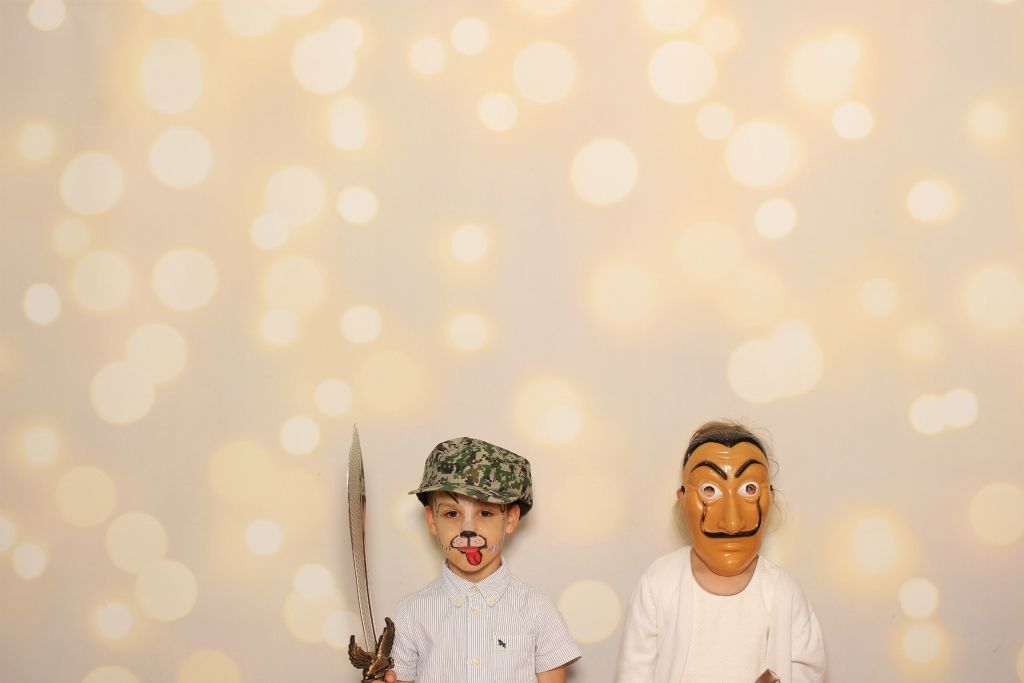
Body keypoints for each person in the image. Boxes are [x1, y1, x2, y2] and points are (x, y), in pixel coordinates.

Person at [615, 420, 826, 683]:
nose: (732, 522)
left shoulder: (784, 592)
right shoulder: (659, 582)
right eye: (709, 490)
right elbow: (634, 672)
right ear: (682, 498)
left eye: (749, 489)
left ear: (770, 497)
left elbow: (807, 670)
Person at [386, 436, 581, 683]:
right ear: (432, 520)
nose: (468, 530)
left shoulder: (537, 610)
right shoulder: (411, 613)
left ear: (510, 519)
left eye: (485, 512)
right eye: (452, 513)